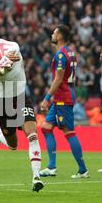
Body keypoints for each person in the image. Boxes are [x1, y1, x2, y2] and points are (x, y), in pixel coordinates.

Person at [0, 38, 44, 192]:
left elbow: (13, 49)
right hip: (4, 104)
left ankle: (36, 177)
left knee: (33, 136)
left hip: (21, 98)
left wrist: (10, 59)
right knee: (14, 145)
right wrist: (4, 68)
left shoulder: (12, 47)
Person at [40, 25, 89, 179]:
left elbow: (59, 78)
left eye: (54, 32)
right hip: (63, 96)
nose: (52, 34)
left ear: (60, 36)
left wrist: (47, 98)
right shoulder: (70, 52)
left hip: (63, 97)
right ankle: (51, 167)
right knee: (46, 127)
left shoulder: (61, 55)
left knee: (68, 131)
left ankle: (83, 170)